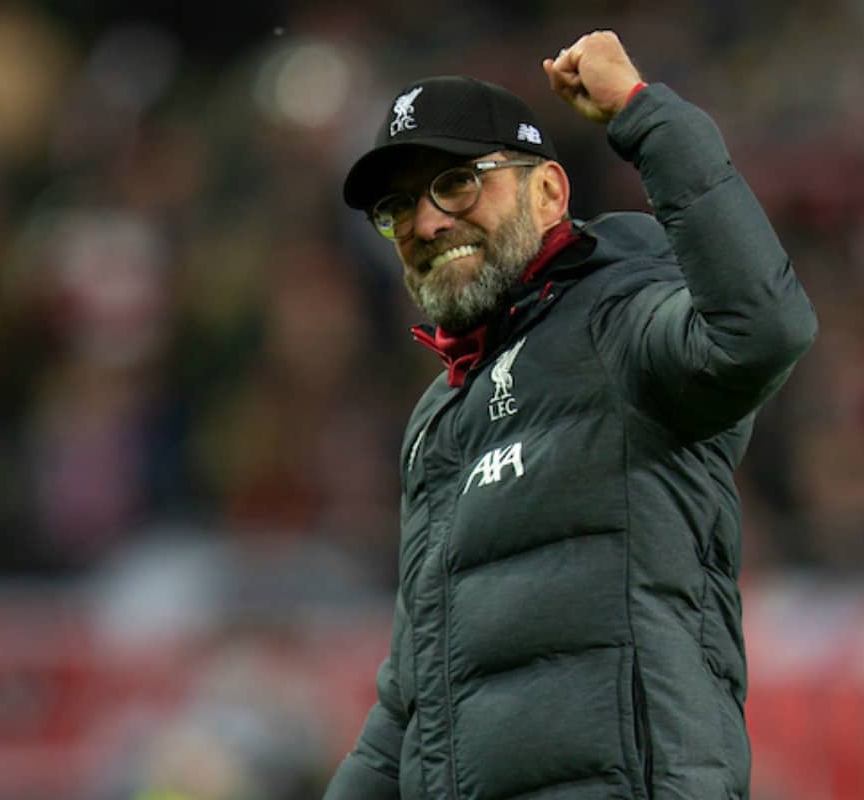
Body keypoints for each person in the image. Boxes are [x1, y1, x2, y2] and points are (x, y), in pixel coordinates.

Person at [324, 31, 817, 800]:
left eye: (455, 184)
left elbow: (762, 330)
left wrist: (645, 116)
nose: (424, 224)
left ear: (549, 193)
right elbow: (409, 707)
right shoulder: (437, 418)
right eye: (398, 207)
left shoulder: (619, 325)